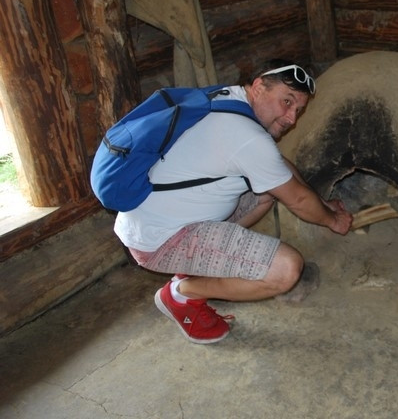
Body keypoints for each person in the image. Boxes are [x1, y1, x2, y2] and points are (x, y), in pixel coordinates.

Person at [113, 60, 353, 344]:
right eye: (286, 102)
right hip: (160, 241)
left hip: (152, 219)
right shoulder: (247, 136)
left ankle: (202, 266)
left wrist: (322, 204)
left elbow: (279, 167)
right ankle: (181, 293)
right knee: (285, 269)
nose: (291, 119)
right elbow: (299, 200)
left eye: (297, 110)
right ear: (259, 86)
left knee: (266, 192)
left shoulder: (228, 98)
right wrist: (333, 220)